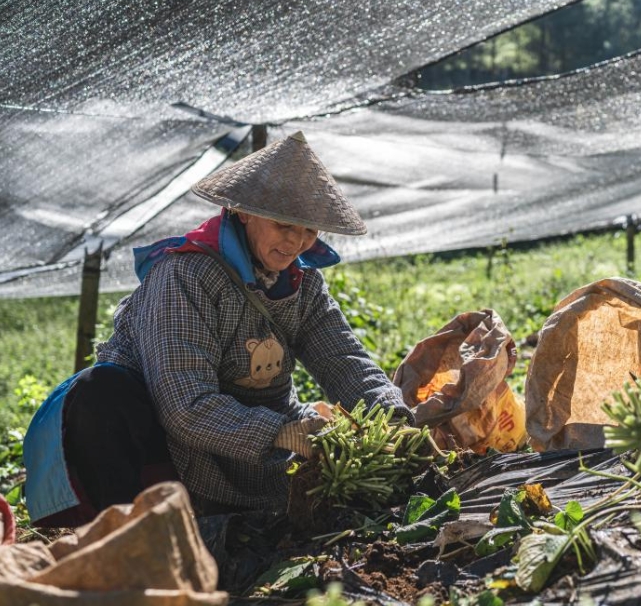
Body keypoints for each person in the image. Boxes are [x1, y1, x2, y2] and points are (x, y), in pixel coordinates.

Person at [23, 131, 414, 527]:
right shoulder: (184, 275)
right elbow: (184, 405)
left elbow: (344, 359)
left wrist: (395, 417)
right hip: (162, 447)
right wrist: (283, 431)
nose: (297, 242)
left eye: (310, 231)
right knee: (101, 390)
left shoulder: (303, 285)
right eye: (284, 226)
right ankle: (146, 534)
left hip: (252, 452)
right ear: (244, 212)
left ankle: (237, 519)